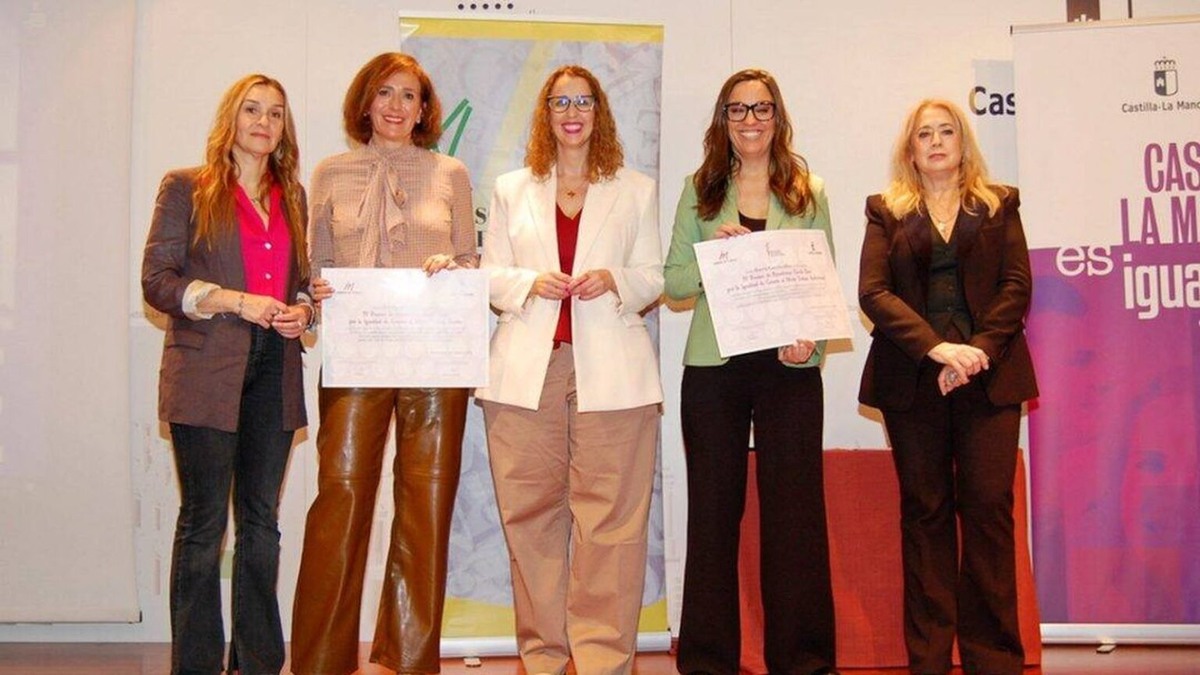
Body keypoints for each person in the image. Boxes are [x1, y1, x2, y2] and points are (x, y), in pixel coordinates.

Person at [290, 52, 477, 675]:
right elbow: (313, 268)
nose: (396, 106)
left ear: (423, 111)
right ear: (365, 103)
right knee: (341, 496)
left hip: (435, 359)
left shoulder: (450, 173)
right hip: (356, 355)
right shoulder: (329, 172)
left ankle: (410, 657)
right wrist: (315, 292)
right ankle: (320, 660)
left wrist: (455, 269)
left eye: (409, 96)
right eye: (385, 93)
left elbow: (470, 260)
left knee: (427, 502)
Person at [474, 64, 663, 675]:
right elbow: (490, 276)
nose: (572, 112)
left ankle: (603, 660)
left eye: (583, 101)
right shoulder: (511, 189)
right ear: (546, 113)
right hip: (527, 373)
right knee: (529, 518)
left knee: (611, 522)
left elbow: (654, 276)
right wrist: (530, 282)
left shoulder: (636, 189)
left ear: (598, 112)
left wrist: (615, 279)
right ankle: (544, 657)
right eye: (561, 102)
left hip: (614, 373)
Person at [664, 69, 837, 675]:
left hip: (789, 368)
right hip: (715, 369)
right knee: (713, 514)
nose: (750, 120)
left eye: (761, 108)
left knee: (795, 516)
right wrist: (716, 258)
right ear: (724, 120)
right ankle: (707, 662)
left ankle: (804, 662)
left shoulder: (809, 191)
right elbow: (674, 283)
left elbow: (823, 282)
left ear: (777, 117)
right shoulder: (699, 189)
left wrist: (810, 346)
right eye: (737, 110)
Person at [857, 98, 1037, 675]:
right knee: (926, 514)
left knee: (988, 513)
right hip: (914, 381)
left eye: (946, 132)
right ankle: (930, 660)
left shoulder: (1000, 203)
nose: (936, 142)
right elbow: (873, 293)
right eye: (924, 134)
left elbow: (1016, 286)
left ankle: (995, 660)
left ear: (963, 143)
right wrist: (939, 349)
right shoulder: (885, 210)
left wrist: (975, 352)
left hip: (990, 377)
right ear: (910, 150)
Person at [141, 73, 312, 675]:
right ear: (230, 119)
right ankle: (195, 664)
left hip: (275, 367)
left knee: (262, 524)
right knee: (204, 523)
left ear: (284, 128)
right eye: (252, 110)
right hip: (206, 369)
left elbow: (300, 282)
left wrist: (303, 310)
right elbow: (157, 282)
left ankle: (258, 662)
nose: (264, 122)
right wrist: (234, 300)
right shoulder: (187, 187)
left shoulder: (293, 196)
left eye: (275, 113)